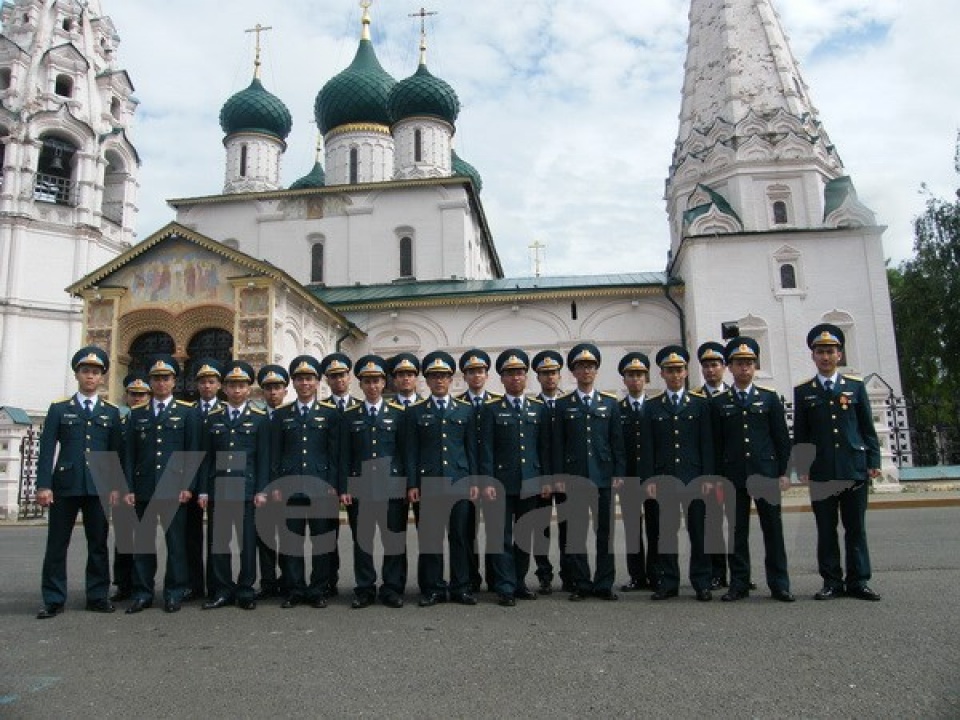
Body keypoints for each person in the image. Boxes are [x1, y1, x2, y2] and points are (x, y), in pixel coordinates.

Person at [793, 324, 882, 601]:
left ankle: (859, 581)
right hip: (822, 471)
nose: (825, 357)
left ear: (839, 355)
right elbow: (802, 432)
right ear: (813, 356)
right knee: (826, 529)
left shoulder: (854, 387)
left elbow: (867, 428)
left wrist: (873, 460)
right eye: (820, 352)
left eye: (830, 351)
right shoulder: (804, 391)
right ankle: (831, 581)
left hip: (853, 467)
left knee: (856, 528)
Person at [35, 346, 124, 619]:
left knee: (98, 543)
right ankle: (53, 598)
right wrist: (43, 485)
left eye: (95, 373)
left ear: (102, 378)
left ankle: (97, 595)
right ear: (77, 374)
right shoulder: (60, 409)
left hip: (98, 486)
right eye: (85, 371)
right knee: (57, 544)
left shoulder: (110, 412)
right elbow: (47, 449)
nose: (90, 377)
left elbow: (115, 453)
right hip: (65, 484)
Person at [711, 337, 794, 602]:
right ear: (730, 367)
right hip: (733, 475)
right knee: (737, 532)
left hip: (766, 473)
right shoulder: (719, 402)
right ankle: (739, 583)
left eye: (748, 363)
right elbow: (716, 443)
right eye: (738, 363)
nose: (744, 368)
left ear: (755, 366)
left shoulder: (768, 399)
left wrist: (784, 472)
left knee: (773, 530)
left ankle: (779, 584)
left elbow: (781, 439)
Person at [124, 355, 201, 614]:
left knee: (176, 545)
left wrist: (187, 486)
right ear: (150, 382)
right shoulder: (137, 414)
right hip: (144, 486)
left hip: (174, 488)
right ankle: (143, 593)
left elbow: (192, 453)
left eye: (165, 378)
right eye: (156, 378)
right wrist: (129, 488)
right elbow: (129, 455)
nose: (161, 383)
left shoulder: (186, 412)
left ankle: (173, 592)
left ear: (174, 381)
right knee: (143, 544)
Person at [478, 349, 552, 605]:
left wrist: (545, 479)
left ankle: (519, 582)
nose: (515, 378)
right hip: (499, 483)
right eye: (509, 374)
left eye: (519, 373)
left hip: (530, 481)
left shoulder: (538, 409)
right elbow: (485, 448)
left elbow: (544, 448)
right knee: (501, 537)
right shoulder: (491, 409)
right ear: (501, 379)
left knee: (523, 536)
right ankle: (505, 586)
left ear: (526, 377)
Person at [406, 351, 479, 607]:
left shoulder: (466, 410)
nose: (439, 381)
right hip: (429, 484)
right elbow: (411, 451)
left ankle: (461, 587)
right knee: (431, 538)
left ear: (451, 379)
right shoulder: (415, 412)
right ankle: (433, 588)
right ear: (426, 380)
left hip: (459, 481)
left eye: (444, 376)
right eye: (434, 377)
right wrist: (413, 484)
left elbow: (471, 450)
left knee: (460, 537)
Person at [552, 343, 625, 601]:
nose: (586, 371)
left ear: (596, 371)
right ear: (573, 372)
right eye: (581, 367)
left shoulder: (609, 403)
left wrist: (618, 475)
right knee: (576, 534)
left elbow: (617, 443)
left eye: (590, 367)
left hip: (603, 477)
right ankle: (581, 583)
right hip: (574, 478)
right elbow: (558, 446)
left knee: (604, 533)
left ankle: (604, 583)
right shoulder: (563, 405)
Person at [270, 355, 342, 609]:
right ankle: (295, 589)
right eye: (300, 379)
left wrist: (334, 483)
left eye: (309, 378)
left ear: (317, 382)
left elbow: (336, 453)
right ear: (293, 383)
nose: (305, 383)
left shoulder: (330, 414)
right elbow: (275, 454)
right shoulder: (281, 415)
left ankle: (318, 588)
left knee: (322, 542)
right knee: (291, 542)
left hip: (321, 486)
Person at [341, 355, 413, 609]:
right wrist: (344, 487)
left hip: (392, 485)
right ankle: (365, 588)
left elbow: (406, 453)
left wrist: (408, 484)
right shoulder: (350, 416)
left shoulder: (399, 414)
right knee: (363, 541)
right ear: (360, 385)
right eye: (367, 381)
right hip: (360, 486)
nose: (372, 386)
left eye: (377, 381)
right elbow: (344, 455)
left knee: (393, 539)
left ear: (385, 384)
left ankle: (392, 588)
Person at [198, 361, 270, 610]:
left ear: (248, 389)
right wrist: (204, 489)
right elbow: (206, 457)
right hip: (219, 488)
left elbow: (263, 458)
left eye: (241, 386)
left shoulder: (260, 419)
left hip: (247, 489)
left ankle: (246, 590)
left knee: (247, 543)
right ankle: (222, 590)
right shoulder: (213, 418)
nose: (237, 390)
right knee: (219, 543)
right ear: (224, 389)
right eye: (232, 386)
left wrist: (262, 490)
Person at [646, 346, 715, 602]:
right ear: (662, 374)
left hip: (694, 477)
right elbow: (649, 448)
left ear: (686, 372)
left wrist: (708, 476)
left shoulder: (699, 405)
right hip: (664, 478)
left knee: (699, 532)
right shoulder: (652, 407)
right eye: (669, 371)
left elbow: (706, 443)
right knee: (666, 533)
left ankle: (702, 582)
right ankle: (668, 582)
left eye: (679, 370)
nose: (675, 375)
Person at [457, 349, 501, 592]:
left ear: (487, 375)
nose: (476, 376)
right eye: (471, 372)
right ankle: (471, 578)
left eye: (480, 371)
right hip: (468, 477)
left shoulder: (497, 402)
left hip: (494, 476)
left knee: (495, 531)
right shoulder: (458, 404)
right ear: (464, 376)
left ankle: (496, 579)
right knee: (467, 532)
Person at [617, 351, 657, 592]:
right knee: (633, 529)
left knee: (656, 528)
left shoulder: (655, 408)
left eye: (640, 375)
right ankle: (636, 576)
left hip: (652, 478)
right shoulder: (617, 409)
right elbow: (616, 447)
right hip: (629, 478)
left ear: (647, 378)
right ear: (624, 379)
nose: (635, 379)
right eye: (630, 375)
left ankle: (656, 573)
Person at [110, 371, 151, 603]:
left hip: (142, 482)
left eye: (142, 394)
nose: (137, 398)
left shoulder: (147, 418)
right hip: (123, 483)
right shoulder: (119, 418)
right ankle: (122, 583)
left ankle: (139, 583)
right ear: (126, 395)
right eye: (133, 394)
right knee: (124, 538)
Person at [320, 352, 359, 598]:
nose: (339, 380)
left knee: (360, 535)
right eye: (333, 376)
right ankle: (328, 580)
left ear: (350, 377)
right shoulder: (321, 409)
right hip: (325, 482)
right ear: (327, 380)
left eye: (342, 375)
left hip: (355, 481)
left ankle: (363, 582)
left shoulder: (359, 407)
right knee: (327, 535)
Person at [530, 349, 567, 594]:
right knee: (540, 529)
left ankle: (570, 574)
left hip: (565, 478)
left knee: (568, 528)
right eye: (544, 373)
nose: (550, 377)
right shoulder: (532, 406)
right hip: (540, 478)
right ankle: (544, 574)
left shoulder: (569, 405)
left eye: (553, 372)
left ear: (560, 375)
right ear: (538, 378)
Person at [255, 364, 290, 599]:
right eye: (268, 388)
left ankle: (288, 581)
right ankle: (268, 582)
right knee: (265, 538)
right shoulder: (256, 418)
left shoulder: (290, 416)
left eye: (277, 387)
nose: (273, 392)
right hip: (262, 488)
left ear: (285, 390)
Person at [697, 341, 730, 590]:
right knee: (712, 524)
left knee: (738, 526)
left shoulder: (733, 394)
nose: (710, 370)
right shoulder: (697, 398)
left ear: (724, 367)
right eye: (706, 366)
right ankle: (716, 572)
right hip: (710, 472)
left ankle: (741, 573)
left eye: (715, 365)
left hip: (735, 469)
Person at [190, 358, 222, 601]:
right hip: (189, 482)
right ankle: (194, 585)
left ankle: (215, 586)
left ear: (219, 385)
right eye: (202, 382)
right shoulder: (188, 411)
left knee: (215, 539)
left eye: (211, 382)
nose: (207, 386)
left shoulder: (225, 410)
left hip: (214, 481)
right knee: (189, 538)